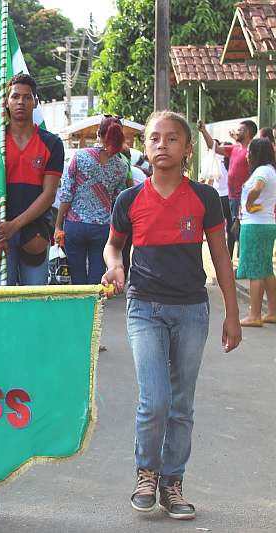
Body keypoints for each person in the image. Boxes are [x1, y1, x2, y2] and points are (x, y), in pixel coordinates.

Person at [103, 111, 241, 521]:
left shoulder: (204, 199)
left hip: (191, 311)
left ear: (186, 149)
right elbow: (113, 247)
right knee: (155, 399)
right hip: (144, 308)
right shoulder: (129, 200)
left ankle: (173, 482)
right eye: (154, 139)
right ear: (145, 148)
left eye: (172, 139)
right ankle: (147, 472)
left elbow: (220, 257)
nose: (162, 145)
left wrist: (232, 314)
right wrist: (115, 265)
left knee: (181, 403)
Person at [0, 73, 64, 286]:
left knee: (34, 303)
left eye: (27, 97)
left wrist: (15, 225)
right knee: (2, 305)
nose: (21, 102)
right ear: (6, 102)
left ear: (35, 102)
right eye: (15, 96)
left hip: (35, 233)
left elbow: (49, 195)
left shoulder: (52, 143)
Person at [55, 116, 128, 284]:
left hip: (75, 225)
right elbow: (117, 197)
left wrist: (58, 226)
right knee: (97, 276)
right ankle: (95, 308)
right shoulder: (121, 166)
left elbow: (66, 195)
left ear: (98, 134)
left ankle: (80, 309)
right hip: (102, 227)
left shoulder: (79, 157)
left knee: (77, 276)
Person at [198, 118, 256, 258]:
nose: (236, 132)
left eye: (240, 130)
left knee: (243, 229)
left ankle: (243, 259)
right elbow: (214, 147)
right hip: (232, 197)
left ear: (248, 132)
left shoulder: (253, 150)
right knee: (232, 228)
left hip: (245, 197)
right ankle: (230, 258)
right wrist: (203, 131)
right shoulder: (234, 149)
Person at [236, 138, 276, 326]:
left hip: (256, 225)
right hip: (266, 223)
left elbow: (257, 187)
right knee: (266, 269)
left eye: (249, 151)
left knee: (255, 270)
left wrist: (249, 202)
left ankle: (255, 314)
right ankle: (272, 311)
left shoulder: (261, 171)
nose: (246, 154)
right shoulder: (271, 170)